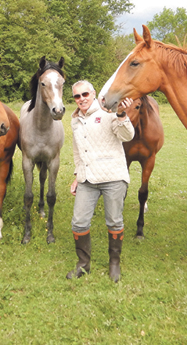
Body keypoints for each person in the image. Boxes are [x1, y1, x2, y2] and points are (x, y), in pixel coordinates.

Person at [67, 80, 135, 283]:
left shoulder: (108, 112)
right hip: (87, 179)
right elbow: (78, 151)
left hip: (112, 176)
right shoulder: (75, 120)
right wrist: (77, 176)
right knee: (79, 222)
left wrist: (122, 115)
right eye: (77, 96)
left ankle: (114, 263)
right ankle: (83, 264)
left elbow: (127, 135)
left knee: (114, 220)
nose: (81, 99)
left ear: (94, 93)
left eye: (85, 94)